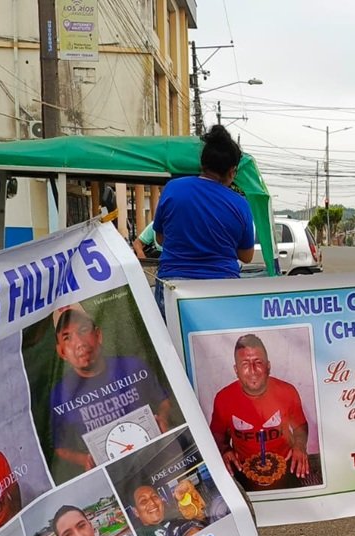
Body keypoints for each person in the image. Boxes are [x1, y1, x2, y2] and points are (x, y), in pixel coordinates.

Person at [48, 303, 174, 482]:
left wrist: (163, 417)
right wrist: (85, 459)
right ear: (61, 351)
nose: (79, 343)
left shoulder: (132, 366)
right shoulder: (61, 394)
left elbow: (164, 400)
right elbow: (61, 447)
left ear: (98, 335)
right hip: (115, 477)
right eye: (67, 337)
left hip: (157, 458)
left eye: (83, 330)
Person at [152, 125, 255, 319]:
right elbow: (247, 256)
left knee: (171, 348)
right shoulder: (240, 205)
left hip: (174, 287)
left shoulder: (173, 189)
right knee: (218, 349)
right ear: (232, 172)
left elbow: (160, 237)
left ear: (203, 163)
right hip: (221, 290)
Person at [209, 334, 315, 489]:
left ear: (268, 366)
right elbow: (218, 434)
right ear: (236, 370)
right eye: (245, 364)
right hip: (243, 469)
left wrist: (299, 446)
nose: (252, 370)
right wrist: (225, 449)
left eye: (258, 362)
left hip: (286, 465)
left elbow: (300, 426)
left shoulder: (287, 391)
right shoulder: (223, 398)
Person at [130, 484, 205, 536]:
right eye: (143, 501)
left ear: (161, 499)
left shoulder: (180, 514)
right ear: (136, 512)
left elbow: (202, 520)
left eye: (154, 496)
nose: (152, 502)